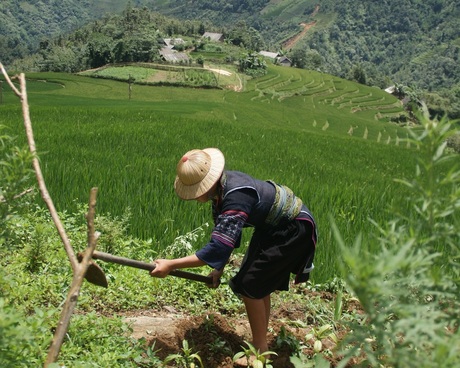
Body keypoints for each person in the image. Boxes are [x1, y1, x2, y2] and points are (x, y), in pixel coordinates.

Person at [150, 148, 317, 360]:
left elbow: (217, 247)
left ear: (207, 184)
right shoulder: (220, 193)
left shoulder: (234, 197)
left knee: (250, 285)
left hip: (292, 228)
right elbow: (227, 238)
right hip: (272, 227)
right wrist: (218, 269)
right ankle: (261, 341)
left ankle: (260, 352)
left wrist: (171, 264)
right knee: (256, 284)